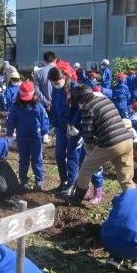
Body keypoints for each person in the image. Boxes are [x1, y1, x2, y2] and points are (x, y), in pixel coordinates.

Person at [62, 87, 135, 205]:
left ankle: (76, 199)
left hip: (111, 143)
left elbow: (88, 133)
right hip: (127, 140)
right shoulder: (105, 100)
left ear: (80, 99)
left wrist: (89, 150)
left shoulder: (87, 108)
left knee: (86, 169)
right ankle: (135, 203)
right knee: (125, 178)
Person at [6, 80, 49, 192]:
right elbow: (11, 121)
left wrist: (45, 133)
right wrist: (10, 135)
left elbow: (44, 119)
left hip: (36, 137)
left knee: (37, 160)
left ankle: (39, 181)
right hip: (22, 137)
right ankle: (24, 181)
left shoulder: (38, 106)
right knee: (23, 160)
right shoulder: (15, 107)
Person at [48, 67, 82, 195]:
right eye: (52, 83)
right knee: (59, 154)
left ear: (63, 78)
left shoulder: (75, 88)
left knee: (72, 155)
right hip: (61, 126)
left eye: (56, 83)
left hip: (73, 127)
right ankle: (64, 181)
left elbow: (79, 109)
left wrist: (73, 125)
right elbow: (56, 108)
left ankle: (72, 184)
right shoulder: (56, 90)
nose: (54, 86)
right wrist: (53, 124)